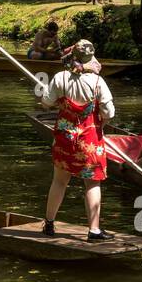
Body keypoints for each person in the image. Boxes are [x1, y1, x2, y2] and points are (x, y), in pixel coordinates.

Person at [39, 38, 115, 241]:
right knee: (92, 184)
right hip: (89, 141)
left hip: (64, 138)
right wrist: (102, 121)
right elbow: (109, 112)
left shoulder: (60, 77)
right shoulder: (99, 82)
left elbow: (46, 102)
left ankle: (48, 224)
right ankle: (94, 230)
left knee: (59, 181)